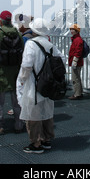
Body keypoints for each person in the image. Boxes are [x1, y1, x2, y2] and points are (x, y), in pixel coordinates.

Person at [17, 18, 66, 153]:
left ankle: (36, 143)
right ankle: (47, 139)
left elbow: (26, 65)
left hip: (34, 84)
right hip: (48, 84)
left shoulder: (31, 44)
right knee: (47, 112)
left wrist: (21, 79)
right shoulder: (50, 45)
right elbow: (61, 60)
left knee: (33, 115)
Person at [0, 10, 24, 135]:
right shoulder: (18, 34)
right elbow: (22, 53)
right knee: (16, 99)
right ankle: (18, 124)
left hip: (0, 71)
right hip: (15, 71)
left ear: (1, 21)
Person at [68, 24, 84, 100]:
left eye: (73, 29)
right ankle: (79, 92)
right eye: (71, 29)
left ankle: (77, 94)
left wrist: (74, 61)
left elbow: (78, 51)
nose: (71, 31)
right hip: (77, 61)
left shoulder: (77, 40)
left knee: (75, 78)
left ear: (77, 31)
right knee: (77, 77)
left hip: (76, 62)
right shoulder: (76, 39)